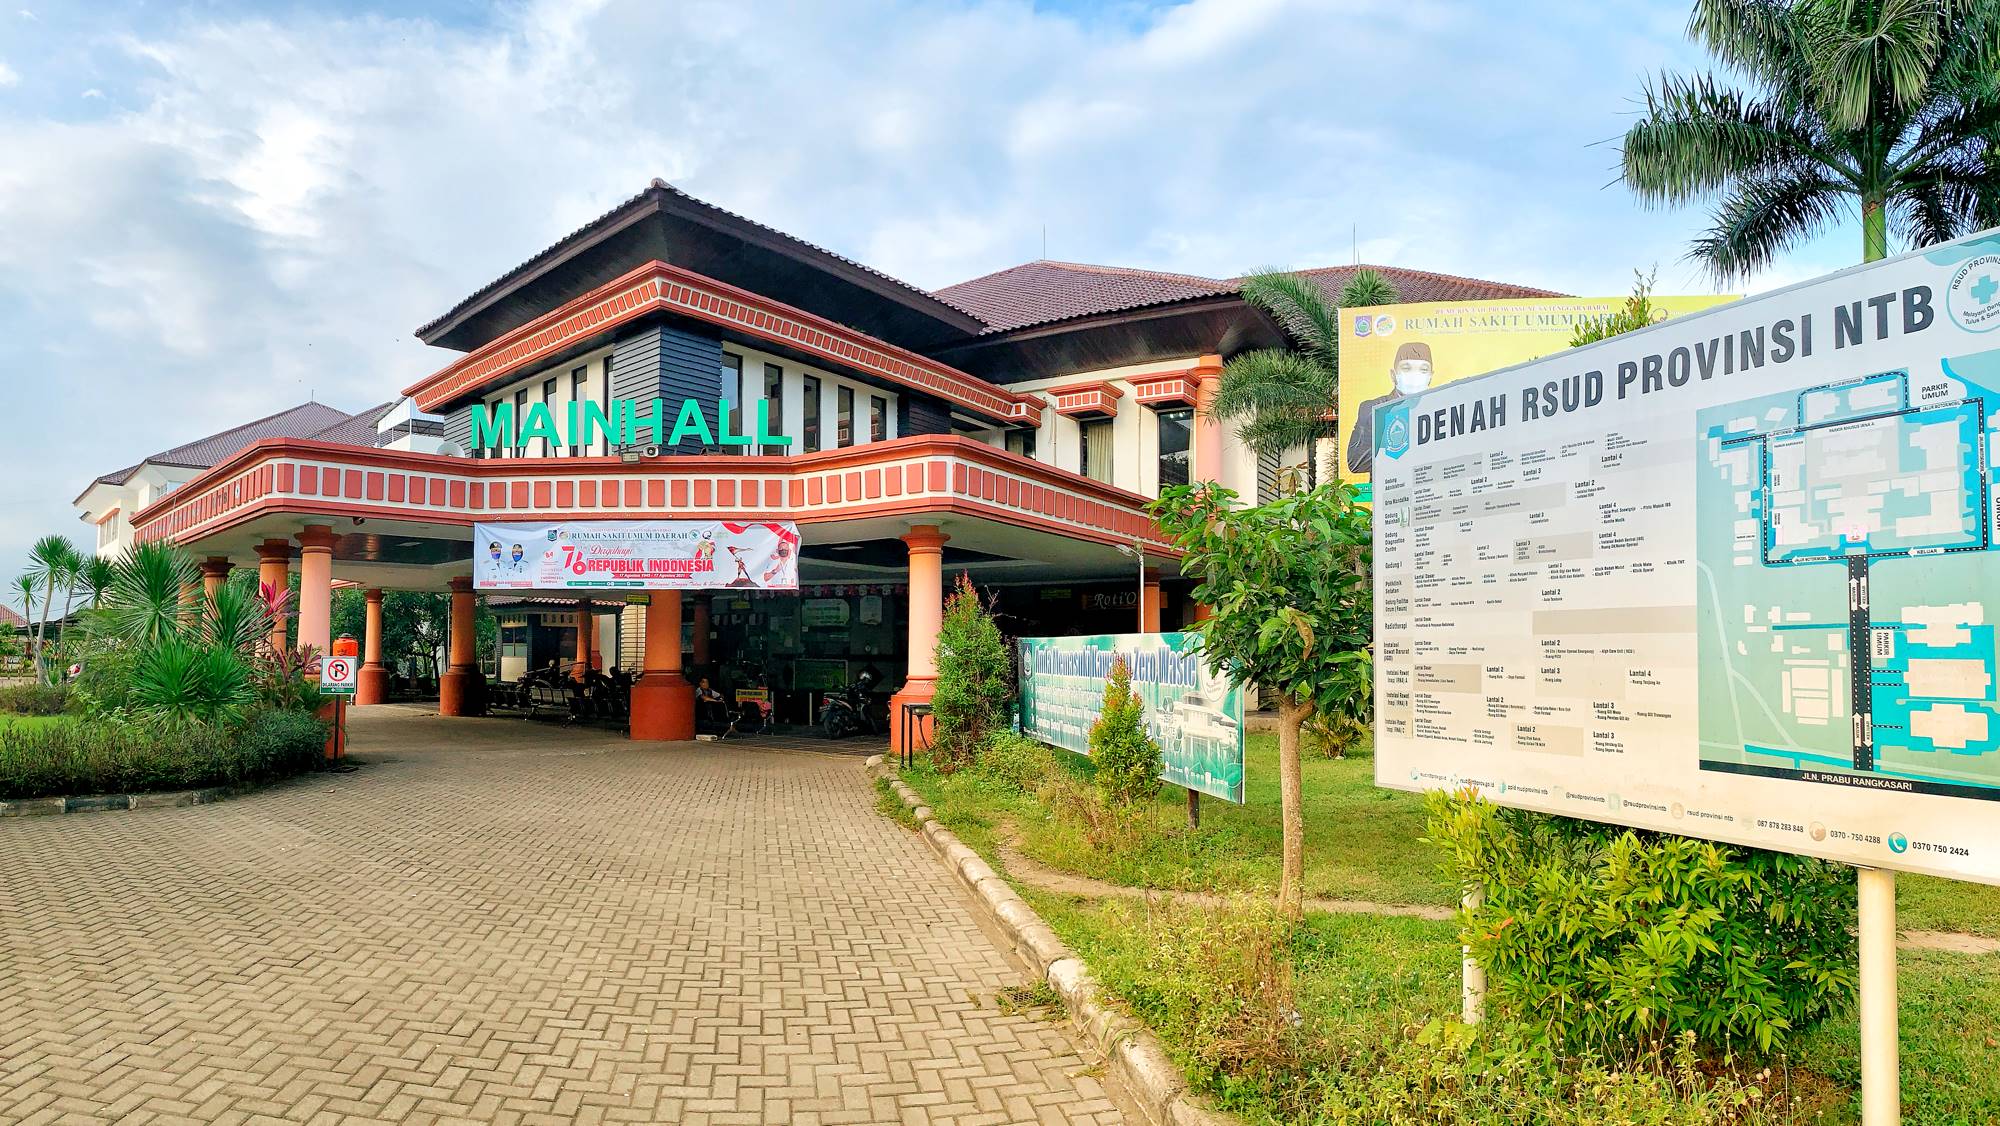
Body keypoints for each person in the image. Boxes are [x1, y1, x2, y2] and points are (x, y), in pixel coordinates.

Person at [1346, 341, 1437, 476]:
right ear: (1393, 375)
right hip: (1389, 490)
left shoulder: (1439, 409)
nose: (1415, 374)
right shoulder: (1373, 410)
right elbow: (1356, 462)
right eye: (1406, 368)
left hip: (1429, 491)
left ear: (1431, 376)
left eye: (1423, 370)